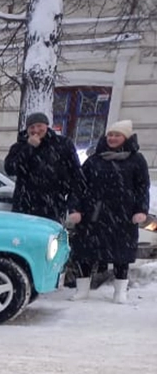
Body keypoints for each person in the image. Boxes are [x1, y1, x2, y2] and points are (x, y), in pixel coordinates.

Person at [71, 120, 149, 303]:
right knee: (86, 251)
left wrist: (141, 210)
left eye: (117, 135)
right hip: (93, 214)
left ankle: (120, 291)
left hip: (123, 215)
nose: (112, 138)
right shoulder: (94, 160)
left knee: (121, 253)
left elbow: (142, 187)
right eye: (110, 135)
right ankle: (82, 289)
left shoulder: (137, 160)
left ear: (126, 137)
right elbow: (79, 187)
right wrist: (75, 208)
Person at [3, 111, 86, 224]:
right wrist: (29, 148)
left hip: (52, 206)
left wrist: (73, 207)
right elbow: (10, 169)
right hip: (24, 206)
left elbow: (76, 177)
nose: (36, 130)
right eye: (32, 127)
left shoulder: (63, 145)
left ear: (47, 126)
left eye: (39, 126)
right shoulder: (19, 147)